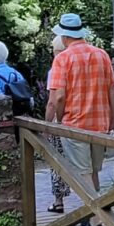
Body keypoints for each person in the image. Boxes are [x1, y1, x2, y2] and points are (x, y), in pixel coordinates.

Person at [47, 13, 114, 226]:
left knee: (83, 175)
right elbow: (111, 92)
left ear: (64, 36)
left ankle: (96, 222)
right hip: (100, 123)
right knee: (93, 173)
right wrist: (113, 121)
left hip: (75, 125)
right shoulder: (102, 55)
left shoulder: (63, 59)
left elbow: (58, 97)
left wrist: (57, 122)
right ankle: (89, 220)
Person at [45, 36, 71, 215]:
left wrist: (47, 124)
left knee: (56, 160)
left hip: (61, 120)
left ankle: (58, 200)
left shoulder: (56, 68)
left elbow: (53, 101)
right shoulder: (78, 63)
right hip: (79, 119)